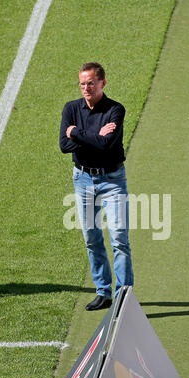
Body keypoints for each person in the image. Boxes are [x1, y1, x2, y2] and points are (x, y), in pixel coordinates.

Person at [59, 62, 134, 311]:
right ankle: (103, 292)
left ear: (102, 83)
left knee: (119, 239)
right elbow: (63, 145)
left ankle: (123, 295)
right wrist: (93, 136)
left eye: (90, 83)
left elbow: (106, 145)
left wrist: (76, 133)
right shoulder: (71, 108)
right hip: (82, 180)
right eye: (82, 83)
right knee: (92, 238)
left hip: (112, 181)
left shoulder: (115, 110)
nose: (85, 88)